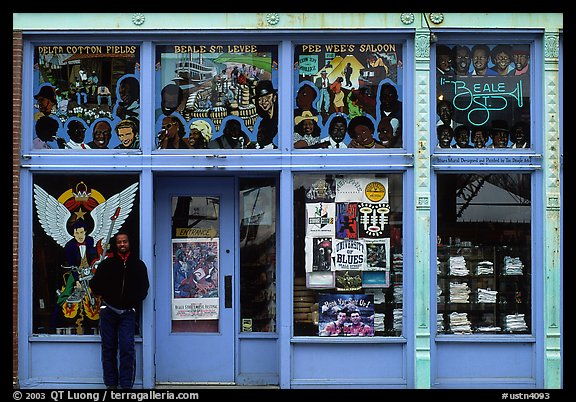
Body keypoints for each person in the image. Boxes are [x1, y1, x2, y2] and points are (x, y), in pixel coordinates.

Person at [90, 232, 150, 389]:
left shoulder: (138, 265)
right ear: (115, 245)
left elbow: (144, 289)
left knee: (127, 349)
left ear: (129, 243)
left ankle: (126, 386)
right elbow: (94, 286)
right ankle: (111, 385)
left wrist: (132, 300)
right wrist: (108, 294)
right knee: (108, 349)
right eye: (119, 242)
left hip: (127, 313)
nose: (122, 244)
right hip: (108, 311)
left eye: (125, 241)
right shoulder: (106, 264)